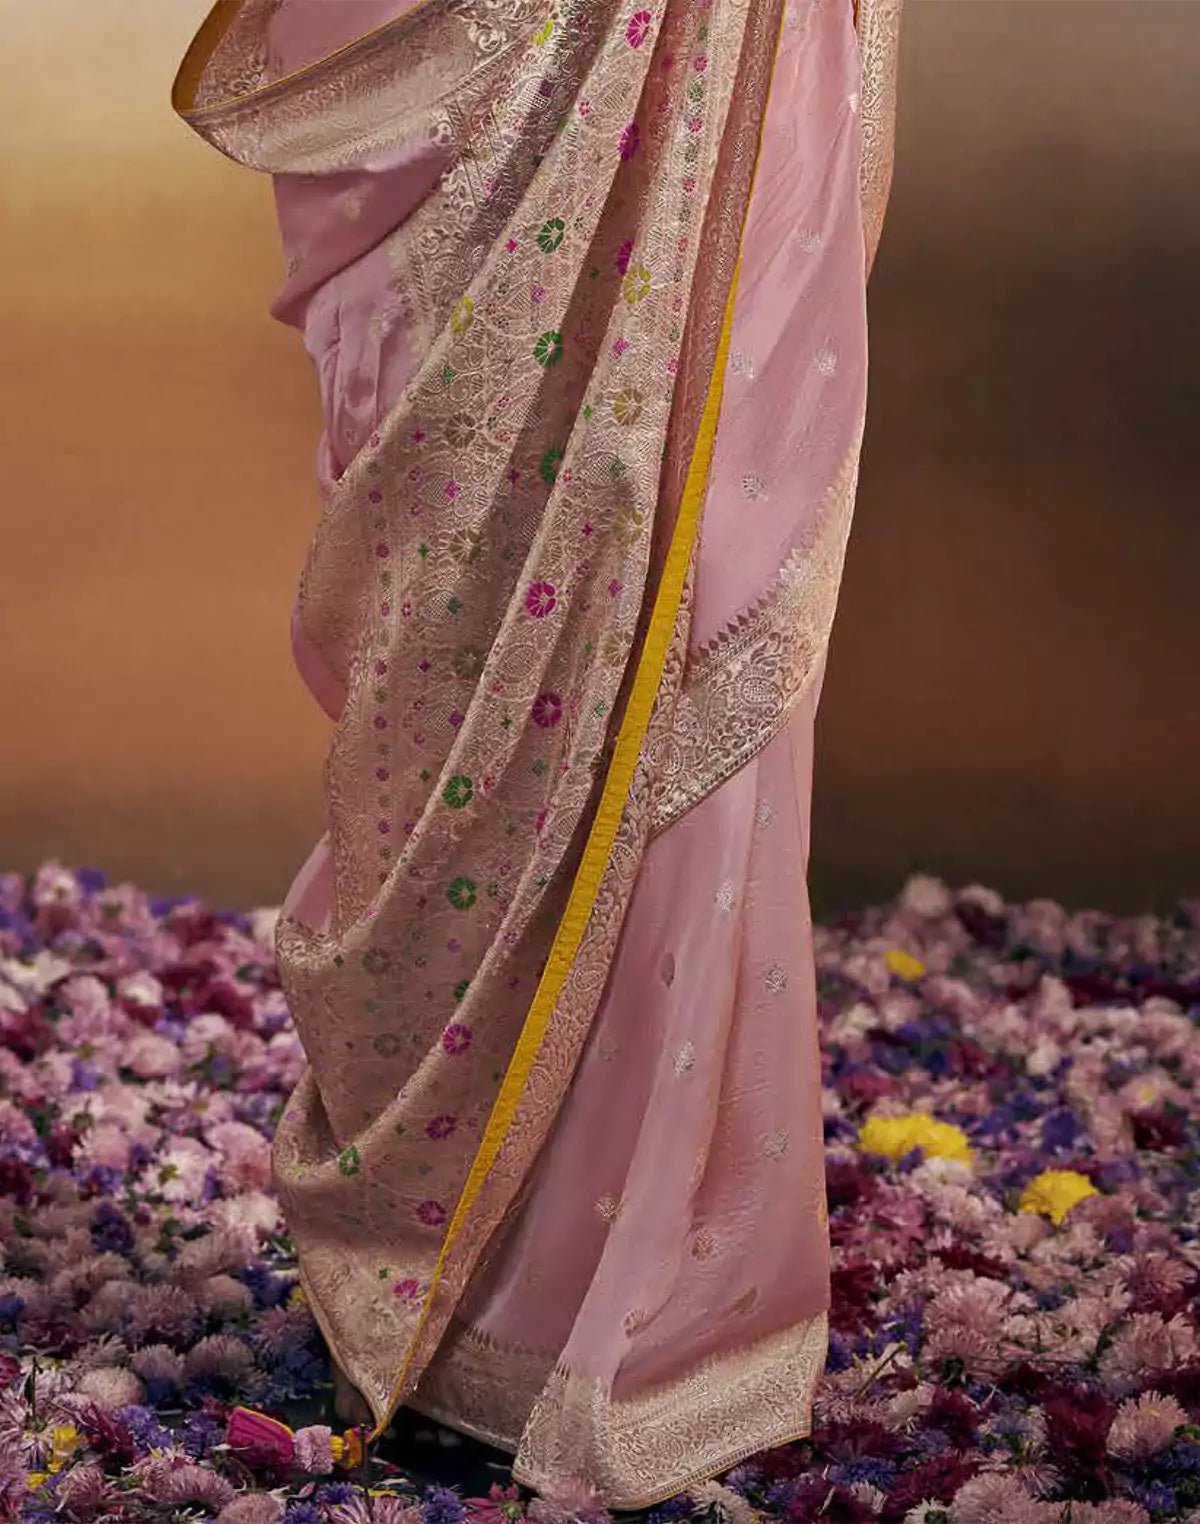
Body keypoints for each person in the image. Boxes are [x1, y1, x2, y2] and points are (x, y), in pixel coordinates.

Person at [173, 0, 902, 1506]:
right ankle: (464, 1287)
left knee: (681, 601)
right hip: (525, 102)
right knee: (470, 609)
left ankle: (631, 1310)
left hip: (730, 88)